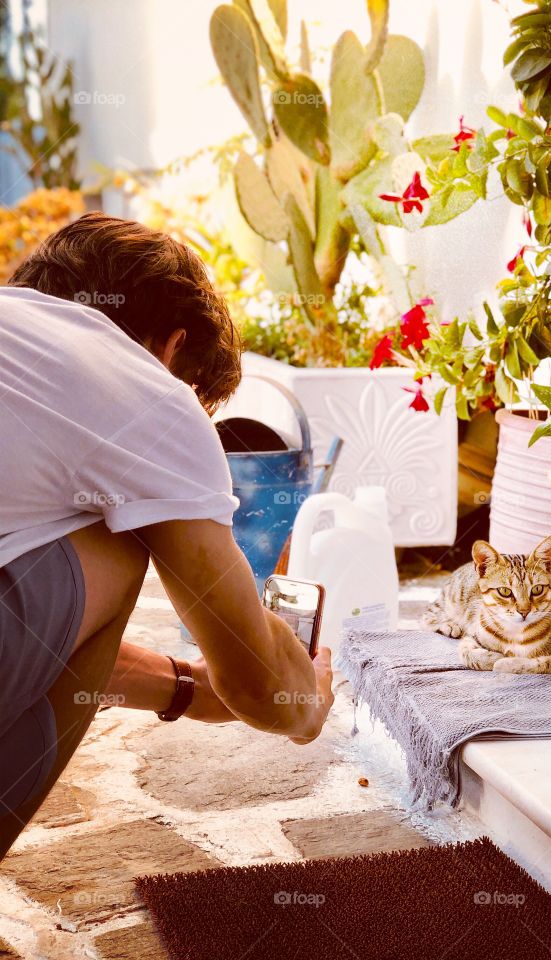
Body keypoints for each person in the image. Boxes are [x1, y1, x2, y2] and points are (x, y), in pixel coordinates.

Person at [0, 213, 334, 860]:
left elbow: (40, 616)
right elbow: (260, 686)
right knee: (121, 536)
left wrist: (184, 686)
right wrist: (306, 702)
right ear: (171, 349)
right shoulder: (148, 389)